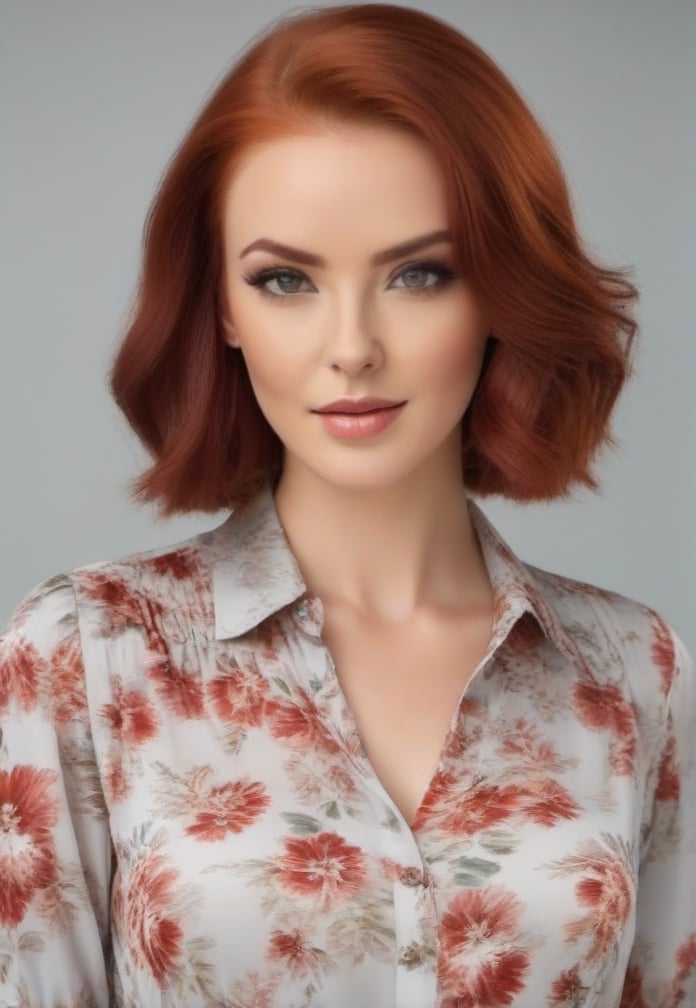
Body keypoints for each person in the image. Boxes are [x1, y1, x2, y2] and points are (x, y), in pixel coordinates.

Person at [1, 4, 693, 1006]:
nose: (354, 346)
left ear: (500, 290)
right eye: (286, 280)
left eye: (420, 274)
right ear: (223, 308)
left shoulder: (634, 671)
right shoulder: (84, 655)